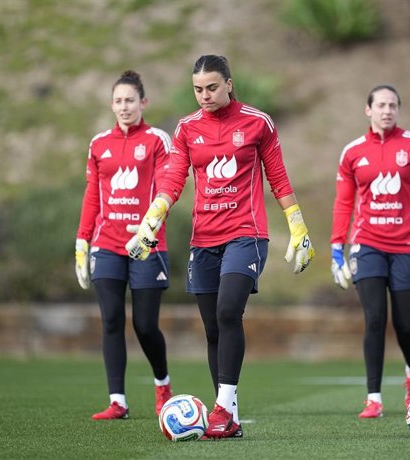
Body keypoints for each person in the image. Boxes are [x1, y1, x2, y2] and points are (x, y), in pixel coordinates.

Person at [126, 55, 315, 438]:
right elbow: (173, 179)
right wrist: (151, 220)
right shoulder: (185, 129)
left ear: (229, 83)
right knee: (213, 328)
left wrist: (298, 227)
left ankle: (222, 408)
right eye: (198, 89)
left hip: (247, 234)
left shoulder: (257, 123)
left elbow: (277, 176)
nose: (205, 95)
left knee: (229, 312)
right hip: (204, 240)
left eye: (212, 87)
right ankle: (229, 415)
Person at [329, 84, 410, 419]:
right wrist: (337, 249)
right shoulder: (352, 152)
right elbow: (343, 202)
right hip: (367, 246)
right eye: (381, 105)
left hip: (409, 246)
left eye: (393, 105)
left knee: (406, 325)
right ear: (368, 110)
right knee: (375, 318)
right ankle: (374, 398)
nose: (387, 110)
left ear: (398, 109)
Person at [75, 70, 174, 420]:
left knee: (145, 325)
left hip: (146, 246)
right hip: (107, 245)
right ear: (111, 105)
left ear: (143, 102)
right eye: (118, 101)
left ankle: (163, 384)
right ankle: (118, 400)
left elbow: (167, 189)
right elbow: (92, 197)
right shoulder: (98, 144)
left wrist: (149, 228)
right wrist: (82, 242)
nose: (124, 106)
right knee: (112, 320)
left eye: (130, 100)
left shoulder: (158, 140)